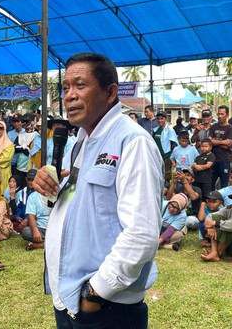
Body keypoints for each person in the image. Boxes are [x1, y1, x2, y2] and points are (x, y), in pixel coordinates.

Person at [33, 53, 162, 326]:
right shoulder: (80, 142)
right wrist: (51, 190)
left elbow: (142, 233)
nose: (69, 96)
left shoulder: (133, 141)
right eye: (65, 87)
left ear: (110, 92)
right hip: (69, 299)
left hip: (105, 307)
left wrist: (96, 293)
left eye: (80, 85)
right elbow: (76, 203)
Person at [209, 105, 232, 189]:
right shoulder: (213, 127)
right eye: (218, 114)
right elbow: (209, 142)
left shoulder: (230, 128)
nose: (220, 116)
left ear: (227, 115)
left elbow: (227, 145)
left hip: (225, 160)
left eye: (222, 114)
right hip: (213, 159)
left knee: (224, 185)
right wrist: (222, 142)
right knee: (210, 183)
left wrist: (215, 142)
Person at [153, 111, 178, 182]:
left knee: (167, 174)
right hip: (157, 155)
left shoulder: (170, 130)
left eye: (162, 118)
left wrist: (172, 156)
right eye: (158, 119)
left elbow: (174, 144)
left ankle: (166, 189)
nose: (160, 120)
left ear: (165, 119)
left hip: (166, 156)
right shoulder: (155, 130)